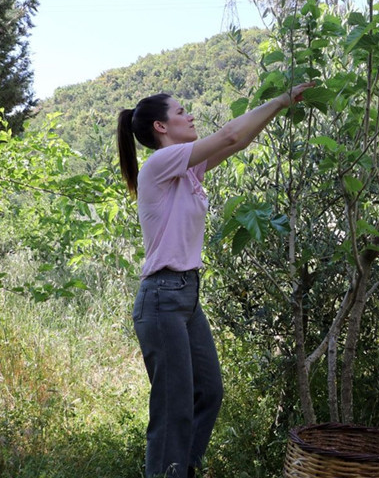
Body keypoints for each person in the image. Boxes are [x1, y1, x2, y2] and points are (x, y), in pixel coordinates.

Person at [116, 82, 313, 478]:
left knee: (208, 392)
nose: (190, 116)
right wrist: (279, 99)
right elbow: (229, 135)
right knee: (173, 407)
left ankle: (182, 470)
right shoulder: (161, 163)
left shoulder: (186, 169)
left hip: (186, 296)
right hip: (162, 298)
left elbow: (238, 143)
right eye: (181, 112)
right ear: (160, 127)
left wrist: (278, 109)